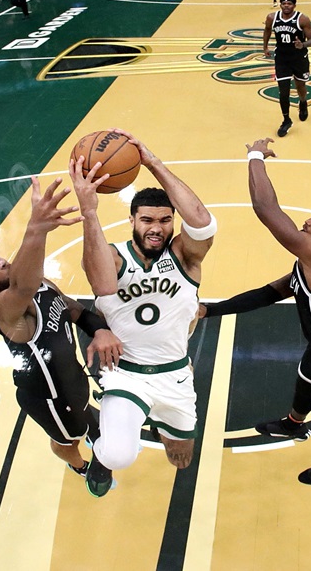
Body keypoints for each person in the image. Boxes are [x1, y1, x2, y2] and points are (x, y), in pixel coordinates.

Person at [202, 138, 311, 485]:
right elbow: (270, 293)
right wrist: (210, 309)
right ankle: (294, 424)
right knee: (304, 380)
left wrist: (255, 156)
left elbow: (266, 210)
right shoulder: (309, 264)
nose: (307, 222)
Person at [67, 130, 216, 498]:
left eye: (165, 220)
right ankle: (103, 451)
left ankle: (144, 421)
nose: (156, 228)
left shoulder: (184, 256)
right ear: (132, 220)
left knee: (181, 458)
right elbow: (103, 285)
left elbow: (203, 224)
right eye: (147, 219)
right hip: (126, 374)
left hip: (174, 373)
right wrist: (89, 211)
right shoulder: (114, 256)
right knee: (119, 455)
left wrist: (152, 163)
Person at [0, 177, 123, 479]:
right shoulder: (4, 309)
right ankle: (79, 466)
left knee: (87, 419)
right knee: (68, 439)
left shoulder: (41, 283)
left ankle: (87, 428)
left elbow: (75, 310)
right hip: (50, 399)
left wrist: (100, 330)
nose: (0, 262)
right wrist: (36, 228)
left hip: (72, 378)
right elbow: (23, 286)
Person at [262, 0, 311, 138]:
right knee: (283, 92)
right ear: (280, 5)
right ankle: (286, 120)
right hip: (282, 58)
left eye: (289, 4)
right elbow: (267, 30)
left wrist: (302, 44)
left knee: (300, 86)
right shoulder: (272, 17)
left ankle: (303, 102)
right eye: (284, 3)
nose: (286, 6)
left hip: (299, 58)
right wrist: (265, 47)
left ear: (294, 6)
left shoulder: (302, 19)